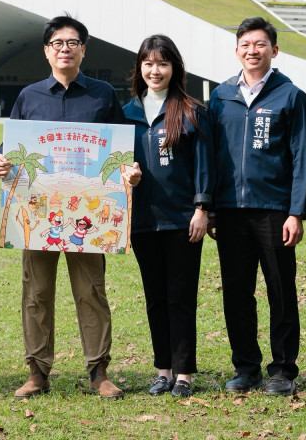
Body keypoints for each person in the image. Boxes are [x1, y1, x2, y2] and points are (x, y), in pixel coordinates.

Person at [0, 15, 138, 400]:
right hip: (37, 212)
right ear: (46, 50)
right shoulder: (29, 96)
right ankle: (37, 371)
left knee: (91, 290)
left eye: (72, 42)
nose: (65, 49)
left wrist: (129, 172)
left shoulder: (103, 95)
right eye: (57, 43)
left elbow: (120, 151)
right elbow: (13, 148)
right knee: (36, 292)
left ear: (83, 49)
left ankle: (98, 371)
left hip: (88, 214)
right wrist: (3, 162)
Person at [207, 16, 306, 397]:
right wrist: (211, 206)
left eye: (260, 44)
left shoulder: (291, 96)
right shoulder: (220, 96)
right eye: (246, 45)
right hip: (231, 211)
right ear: (237, 51)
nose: (253, 51)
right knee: (237, 291)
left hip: (274, 210)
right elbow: (212, 155)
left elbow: (301, 158)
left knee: (280, 290)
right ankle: (245, 367)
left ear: (274, 50)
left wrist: (296, 212)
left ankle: (283, 369)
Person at [122, 35, 212, 398]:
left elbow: (206, 165)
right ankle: (163, 370)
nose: (154, 70)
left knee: (181, 295)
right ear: (139, 68)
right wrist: (126, 174)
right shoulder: (125, 112)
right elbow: (112, 162)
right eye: (148, 63)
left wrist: (202, 208)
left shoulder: (191, 111)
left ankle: (185, 372)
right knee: (155, 297)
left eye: (162, 63)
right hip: (142, 221)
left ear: (174, 67)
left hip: (182, 221)